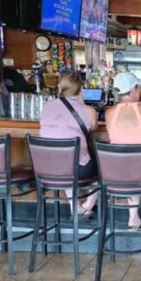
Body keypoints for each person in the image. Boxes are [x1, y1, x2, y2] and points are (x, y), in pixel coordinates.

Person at [105, 72, 141, 230]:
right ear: (133, 89)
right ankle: (133, 218)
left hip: (116, 173)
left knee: (130, 169)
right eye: (138, 87)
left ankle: (134, 217)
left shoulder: (109, 113)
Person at [39, 72, 99, 216]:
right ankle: (87, 206)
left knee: (65, 161)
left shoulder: (47, 106)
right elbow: (94, 127)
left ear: (60, 87)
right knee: (102, 166)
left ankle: (75, 207)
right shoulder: (88, 111)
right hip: (75, 169)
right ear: (81, 89)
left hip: (47, 167)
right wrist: (81, 101)